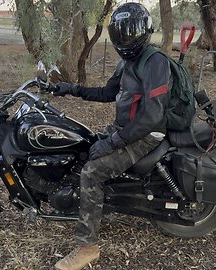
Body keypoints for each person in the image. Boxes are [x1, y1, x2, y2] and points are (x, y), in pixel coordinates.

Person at [53, 3, 172, 270]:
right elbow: (107, 93)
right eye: (120, 36)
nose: (124, 41)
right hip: (125, 129)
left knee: (92, 172)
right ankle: (94, 207)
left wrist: (113, 142)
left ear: (143, 33)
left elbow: (152, 117)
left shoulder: (155, 62)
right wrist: (70, 89)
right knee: (81, 146)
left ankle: (87, 247)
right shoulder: (127, 62)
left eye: (129, 35)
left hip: (146, 134)